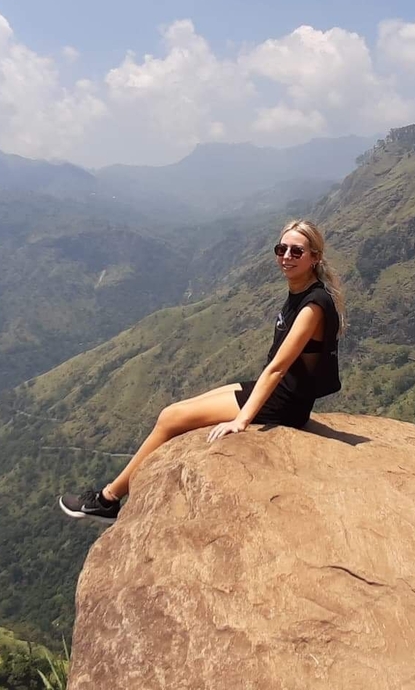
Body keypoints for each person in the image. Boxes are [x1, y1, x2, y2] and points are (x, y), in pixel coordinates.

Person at [59, 219, 345, 523]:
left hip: (284, 402)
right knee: (178, 409)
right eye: (281, 248)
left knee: (171, 418)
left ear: (315, 257)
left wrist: (241, 420)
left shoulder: (313, 304)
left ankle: (108, 499)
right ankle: (112, 495)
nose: (286, 256)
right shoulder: (301, 290)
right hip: (278, 391)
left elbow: (277, 368)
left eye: (296, 251)